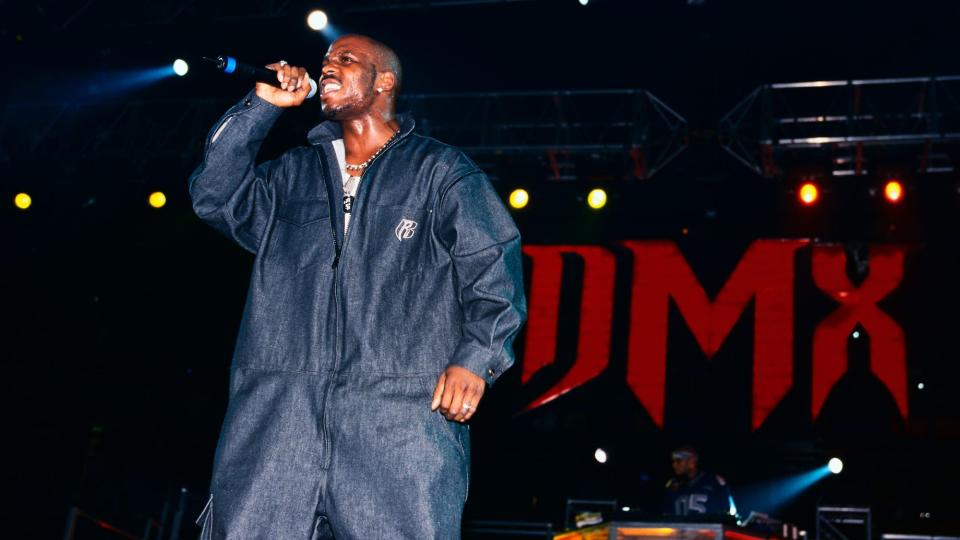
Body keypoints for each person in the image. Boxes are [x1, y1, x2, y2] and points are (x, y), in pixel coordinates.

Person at [188, 34, 526, 539]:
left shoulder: (440, 172)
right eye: (325, 60)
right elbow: (214, 196)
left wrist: (476, 358)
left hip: (400, 417)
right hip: (279, 418)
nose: (327, 67)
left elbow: (492, 264)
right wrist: (262, 107)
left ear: (384, 81)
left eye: (345, 60)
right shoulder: (290, 176)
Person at [663, 445, 738, 519]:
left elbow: (729, 513)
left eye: (678, 461)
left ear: (691, 461)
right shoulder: (672, 485)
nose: (674, 465)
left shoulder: (713, 482)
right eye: (673, 461)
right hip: (679, 530)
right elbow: (665, 516)